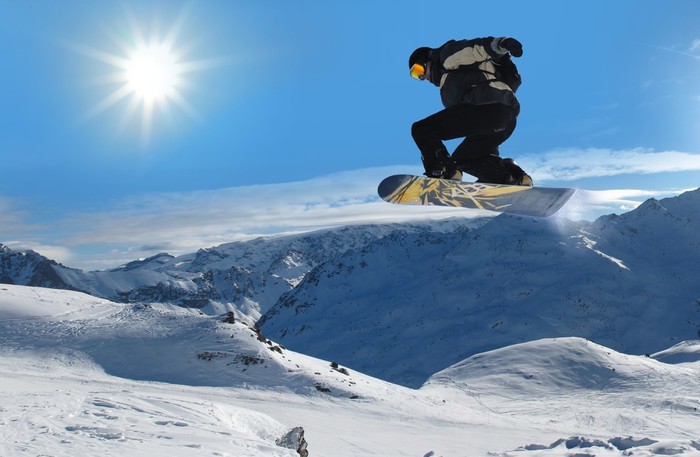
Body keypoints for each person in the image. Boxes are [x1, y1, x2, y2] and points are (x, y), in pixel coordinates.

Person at [408, 37, 532, 186]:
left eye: (418, 70)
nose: (422, 77)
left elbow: (473, 49)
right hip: (506, 118)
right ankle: (510, 176)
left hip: (486, 106)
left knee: (422, 129)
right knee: (465, 159)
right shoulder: (451, 82)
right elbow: (474, 124)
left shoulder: (445, 57)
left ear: (427, 59)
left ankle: (441, 170)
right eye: (416, 76)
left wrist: (500, 44)